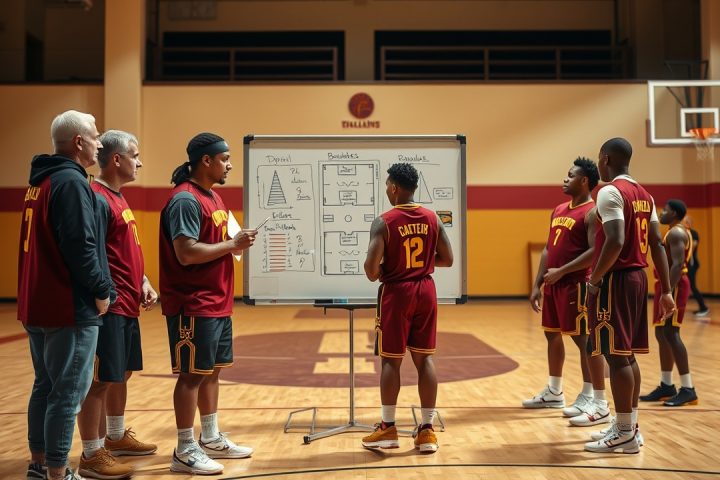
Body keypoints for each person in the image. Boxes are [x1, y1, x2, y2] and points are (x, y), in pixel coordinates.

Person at [18, 110, 114, 480]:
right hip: (67, 307)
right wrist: (101, 289)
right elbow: (80, 246)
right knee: (68, 393)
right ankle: (58, 472)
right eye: (95, 136)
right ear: (78, 142)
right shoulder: (71, 182)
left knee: (45, 387)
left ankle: (40, 465)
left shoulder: (40, 181)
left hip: (37, 304)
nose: (99, 143)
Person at [160, 132, 257, 475]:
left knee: (211, 372)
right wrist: (232, 245)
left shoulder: (213, 197)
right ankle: (185, 448)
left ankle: (211, 437)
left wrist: (234, 243)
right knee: (190, 376)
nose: (229, 165)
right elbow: (186, 253)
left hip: (217, 301)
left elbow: (219, 243)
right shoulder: (185, 200)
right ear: (206, 160)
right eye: (225, 159)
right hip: (192, 303)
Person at [583, 137, 675, 454]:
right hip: (638, 278)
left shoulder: (609, 191)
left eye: (599, 158)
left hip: (616, 278)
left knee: (615, 355)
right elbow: (657, 244)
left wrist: (595, 279)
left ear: (606, 159)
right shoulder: (646, 196)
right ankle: (630, 426)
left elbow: (615, 240)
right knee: (627, 353)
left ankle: (623, 432)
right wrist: (666, 290)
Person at [76, 130, 159, 479]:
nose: (139, 162)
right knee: (99, 381)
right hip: (109, 305)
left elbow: (122, 251)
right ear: (116, 159)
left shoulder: (118, 197)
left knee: (120, 373)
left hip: (128, 302)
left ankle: (115, 436)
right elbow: (93, 253)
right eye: (134, 156)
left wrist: (143, 281)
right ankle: (92, 454)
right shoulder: (97, 198)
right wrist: (105, 294)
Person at [361, 163, 454, 454]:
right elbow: (447, 259)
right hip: (426, 290)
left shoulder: (384, 222)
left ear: (394, 188)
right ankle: (426, 431)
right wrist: (420, 264)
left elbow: (371, 271)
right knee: (425, 359)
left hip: (397, 292)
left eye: (387, 186)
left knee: (391, 361)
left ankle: (388, 427)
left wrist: (393, 265)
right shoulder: (432, 218)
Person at [525, 158, 611, 427]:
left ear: (584, 181)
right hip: (554, 284)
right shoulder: (559, 209)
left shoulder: (592, 212)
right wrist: (537, 284)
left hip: (576, 284)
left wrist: (562, 271)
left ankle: (589, 394)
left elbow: (594, 252)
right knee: (551, 334)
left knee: (584, 340)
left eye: (570, 175)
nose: (565, 179)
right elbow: (548, 249)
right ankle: (554, 391)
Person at [640, 199, 699, 407]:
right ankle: (666, 385)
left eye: (665, 210)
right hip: (666, 285)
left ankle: (688, 389)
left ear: (674, 213)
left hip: (674, 285)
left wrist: (668, 292)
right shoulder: (673, 232)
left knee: (672, 333)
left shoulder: (676, 233)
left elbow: (677, 264)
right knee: (661, 332)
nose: (661, 213)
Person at [684, 216, 709, 317]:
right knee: (686, 286)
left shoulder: (693, 233)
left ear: (690, 223)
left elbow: (693, 245)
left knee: (693, 287)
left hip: (692, 264)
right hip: (686, 264)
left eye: (686, 221)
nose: (684, 223)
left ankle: (704, 308)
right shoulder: (684, 233)